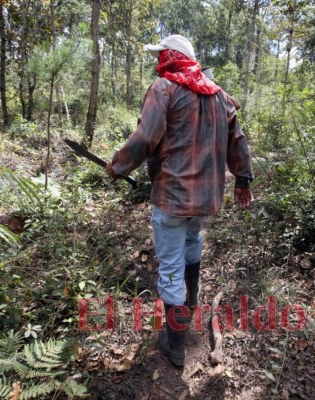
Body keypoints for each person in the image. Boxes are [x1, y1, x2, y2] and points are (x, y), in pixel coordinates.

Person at [106, 34, 253, 367]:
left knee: (170, 267)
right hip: (204, 201)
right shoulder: (219, 96)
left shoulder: (164, 89)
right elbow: (238, 143)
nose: (159, 63)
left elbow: (146, 137)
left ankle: (175, 344)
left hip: (172, 199)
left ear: (170, 57)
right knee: (192, 242)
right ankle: (190, 306)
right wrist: (243, 181)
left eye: (161, 56)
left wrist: (117, 167)